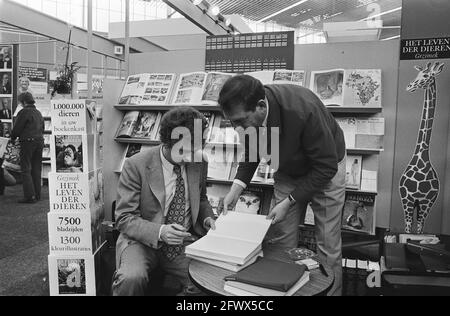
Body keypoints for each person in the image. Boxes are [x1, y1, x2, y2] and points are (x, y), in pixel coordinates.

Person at [218, 75, 347, 296]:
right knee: (281, 238)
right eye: (232, 122)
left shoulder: (303, 109)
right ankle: (280, 291)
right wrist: (236, 189)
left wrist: (289, 201)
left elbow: (325, 168)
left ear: (260, 106)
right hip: (288, 169)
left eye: (239, 121)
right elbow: (252, 152)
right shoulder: (248, 117)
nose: (236, 127)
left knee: (327, 242)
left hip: (326, 168)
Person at [112, 107, 216, 296]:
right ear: (169, 143)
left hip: (182, 242)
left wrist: (208, 218)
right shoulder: (136, 165)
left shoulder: (199, 161)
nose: (193, 155)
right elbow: (124, 217)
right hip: (141, 242)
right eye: (187, 149)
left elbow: (200, 199)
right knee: (131, 278)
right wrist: (160, 232)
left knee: (209, 282)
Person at [11, 92, 44, 203]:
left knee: (26, 169)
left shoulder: (23, 112)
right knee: (36, 168)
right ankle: (37, 194)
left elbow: (17, 129)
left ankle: (29, 196)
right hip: (39, 141)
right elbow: (43, 128)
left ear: (24, 102)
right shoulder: (38, 112)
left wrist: (12, 137)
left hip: (27, 142)